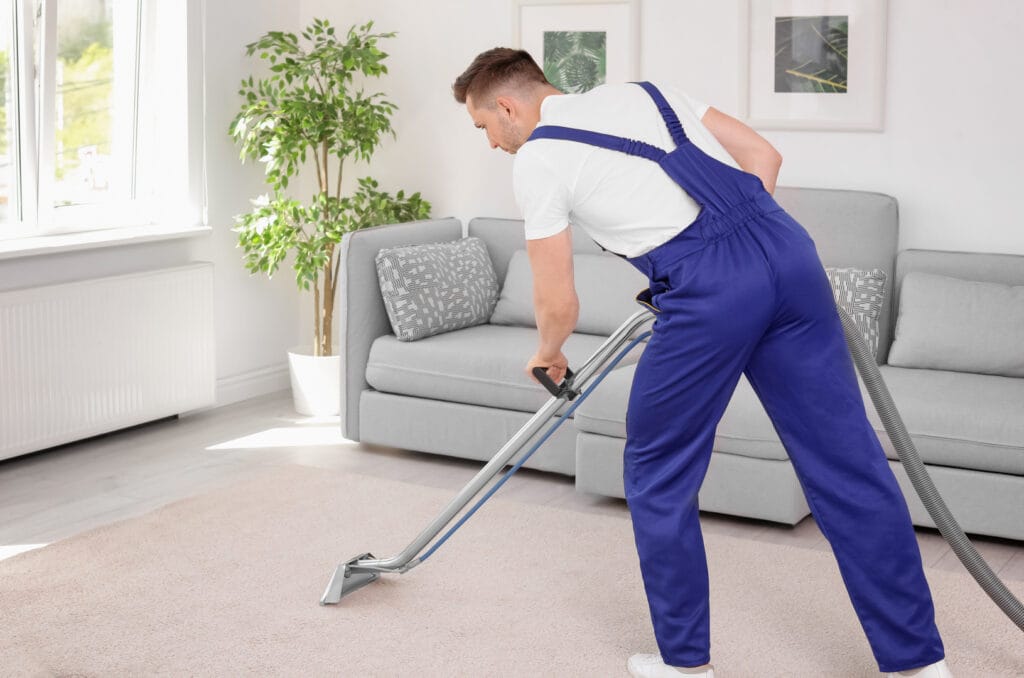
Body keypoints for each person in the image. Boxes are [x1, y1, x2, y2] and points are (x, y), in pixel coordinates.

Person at [452, 48, 951, 678]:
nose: (492, 144)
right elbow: (765, 158)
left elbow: (557, 300)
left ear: (507, 106)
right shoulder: (646, 92)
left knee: (658, 468)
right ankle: (919, 665)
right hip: (789, 254)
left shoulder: (540, 159)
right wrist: (746, 245)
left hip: (711, 290)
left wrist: (547, 354)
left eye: (485, 129)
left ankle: (684, 665)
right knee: (847, 463)